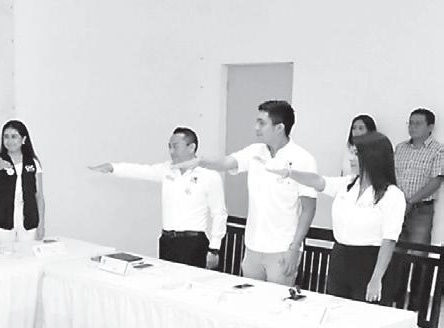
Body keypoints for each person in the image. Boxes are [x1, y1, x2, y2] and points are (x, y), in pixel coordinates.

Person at [184, 100, 317, 286]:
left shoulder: (303, 159)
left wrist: (294, 248)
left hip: (282, 249)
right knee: (250, 299)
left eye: (262, 123)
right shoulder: (255, 151)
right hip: (253, 246)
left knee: (277, 301)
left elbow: (308, 209)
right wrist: (201, 161)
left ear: (279, 128)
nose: (256, 127)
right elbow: (227, 162)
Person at [270, 132, 403, 302]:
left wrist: (376, 278)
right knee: (336, 307)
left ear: (372, 158)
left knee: (363, 311)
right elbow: (318, 181)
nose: (351, 159)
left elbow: (389, 240)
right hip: (341, 257)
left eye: (356, 154)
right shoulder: (347, 184)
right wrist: (289, 173)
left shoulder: (392, 195)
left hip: (369, 260)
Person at [88, 126, 227, 269]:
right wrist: (112, 167)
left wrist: (214, 249)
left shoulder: (209, 176)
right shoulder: (167, 169)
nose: (171, 151)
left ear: (191, 147)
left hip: (193, 243)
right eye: (169, 147)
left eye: (176, 146)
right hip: (167, 241)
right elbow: (141, 171)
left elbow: (219, 214)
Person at [0, 120, 45, 243]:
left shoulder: (33, 163)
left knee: (27, 253)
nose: (10, 141)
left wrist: (41, 224)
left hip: (28, 219)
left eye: (14, 136)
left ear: (23, 139)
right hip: (2, 220)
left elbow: (39, 196)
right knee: (5, 254)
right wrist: (0, 164)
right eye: (6, 137)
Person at [394, 108, 443, 247]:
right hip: (397, 206)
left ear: (430, 127)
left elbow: (436, 181)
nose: (412, 127)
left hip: (421, 209)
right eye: (410, 123)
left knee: (418, 251)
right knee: (394, 249)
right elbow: (392, 174)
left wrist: (411, 202)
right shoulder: (400, 148)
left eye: (418, 123)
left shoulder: (438, 150)